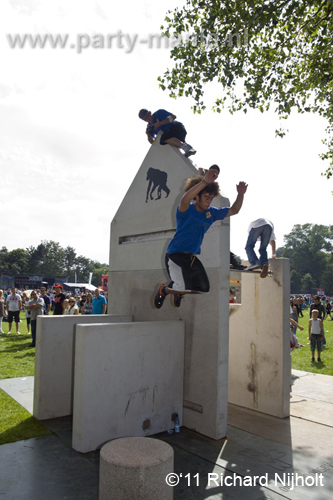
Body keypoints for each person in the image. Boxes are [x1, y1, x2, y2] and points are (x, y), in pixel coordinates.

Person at [154, 166, 248, 308]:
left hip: (191, 258)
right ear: (197, 197)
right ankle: (164, 290)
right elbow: (185, 199)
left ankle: (178, 291)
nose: (209, 201)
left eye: (210, 198)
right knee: (184, 286)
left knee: (203, 288)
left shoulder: (211, 213)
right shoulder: (186, 210)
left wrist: (241, 194)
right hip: (175, 255)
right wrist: (205, 181)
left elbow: (234, 210)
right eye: (206, 198)